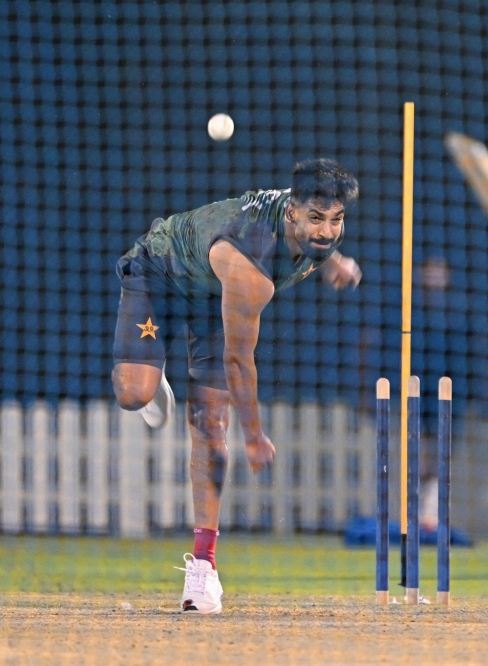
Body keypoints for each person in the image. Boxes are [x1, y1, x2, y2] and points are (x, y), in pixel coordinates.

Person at [112, 158, 362, 614]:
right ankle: (154, 377)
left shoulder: (310, 224)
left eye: (336, 220)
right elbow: (238, 361)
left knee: (210, 423)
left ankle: (203, 569)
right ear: (292, 212)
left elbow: (318, 235)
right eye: (316, 219)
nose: (326, 231)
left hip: (213, 297)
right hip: (161, 272)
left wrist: (332, 262)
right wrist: (253, 435)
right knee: (133, 394)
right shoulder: (251, 268)